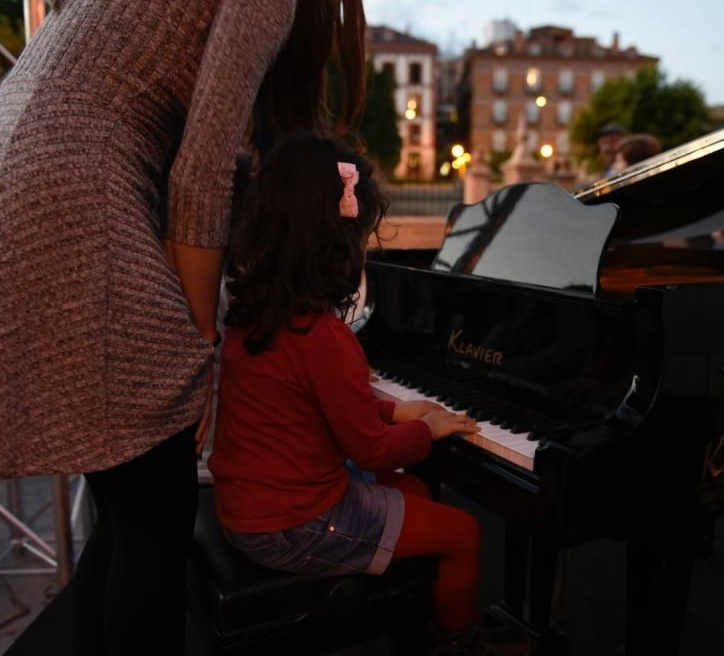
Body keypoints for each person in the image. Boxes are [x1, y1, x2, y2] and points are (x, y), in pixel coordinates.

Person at [0, 0, 368, 654]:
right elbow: (201, 174)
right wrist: (199, 357)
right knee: (158, 513)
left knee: (127, 506)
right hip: (67, 184)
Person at [209, 133, 531, 655]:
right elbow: (372, 450)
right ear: (335, 243)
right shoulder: (325, 336)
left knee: (416, 493)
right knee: (464, 533)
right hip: (297, 525)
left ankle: (411, 617)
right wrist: (424, 428)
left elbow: (315, 405)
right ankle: (458, 644)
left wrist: (394, 407)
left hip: (247, 509)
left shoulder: (256, 317)